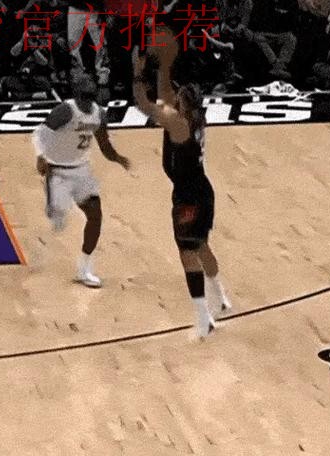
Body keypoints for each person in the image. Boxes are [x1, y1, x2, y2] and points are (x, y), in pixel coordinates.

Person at [132, 31, 231, 338]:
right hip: (201, 189)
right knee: (200, 245)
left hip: (189, 196)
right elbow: (164, 96)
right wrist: (163, 67)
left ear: (183, 105)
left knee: (186, 252)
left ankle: (203, 319)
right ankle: (221, 298)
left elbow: (144, 102)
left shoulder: (179, 125)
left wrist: (139, 72)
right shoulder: (195, 119)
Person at [32, 73, 130, 288]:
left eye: (90, 95)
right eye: (84, 95)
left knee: (95, 216)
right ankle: (52, 198)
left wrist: (117, 158)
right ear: (77, 93)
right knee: (57, 217)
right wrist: (41, 156)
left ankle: (84, 269)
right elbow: (39, 133)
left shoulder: (99, 114)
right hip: (58, 170)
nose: (87, 100)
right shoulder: (66, 111)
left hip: (81, 170)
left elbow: (104, 145)